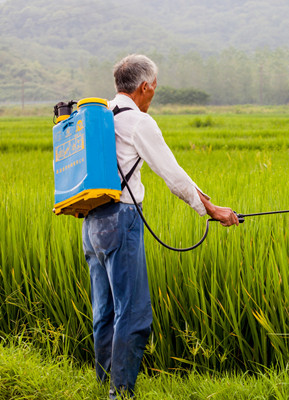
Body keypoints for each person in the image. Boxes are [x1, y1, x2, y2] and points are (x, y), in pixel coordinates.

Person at [82, 54, 238, 399]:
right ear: (145, 86)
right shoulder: (138, 122)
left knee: (104, 311)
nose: (154, 93)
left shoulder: (100, 115)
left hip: (91, 223)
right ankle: (120, 393)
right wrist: (209, 209)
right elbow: (173, 174)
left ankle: (102, 384)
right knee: (134, 315)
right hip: (121, 221)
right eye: (154, 88)